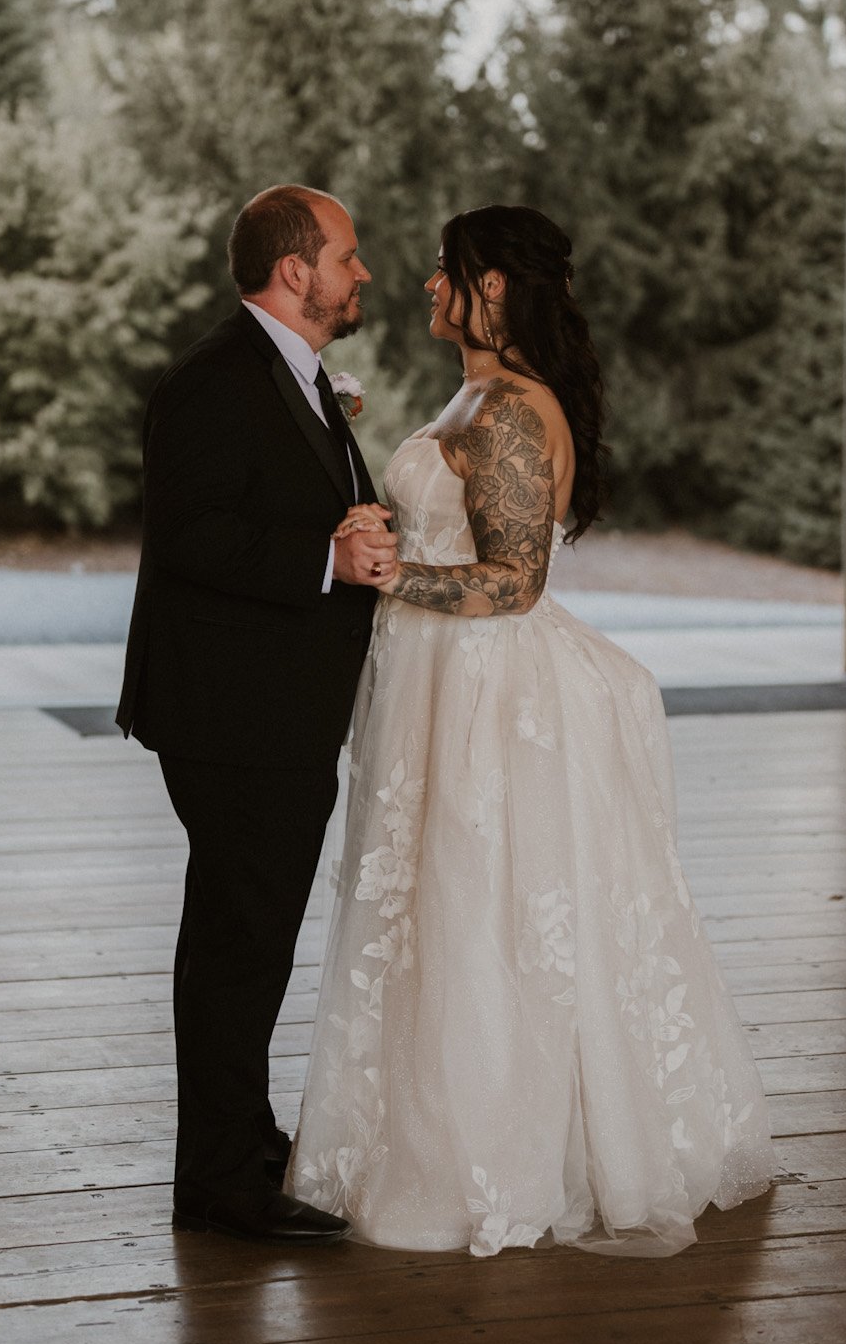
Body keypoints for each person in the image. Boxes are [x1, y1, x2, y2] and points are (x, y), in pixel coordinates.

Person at [287, 205, 778, 1257]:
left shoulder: (510, 408)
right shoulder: (477, 391)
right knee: (436, 910)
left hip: (487, 695)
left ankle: (489, 1158)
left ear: (494, 285)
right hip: (437, 677)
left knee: (481, 911)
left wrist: (391, 570)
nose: (424, 285)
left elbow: (512, 581)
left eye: (443, 270)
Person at [117, 185, 397, 1244]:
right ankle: (223, 1178)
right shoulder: (212, 380)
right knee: (241, 943)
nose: (360, 272)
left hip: (270, 708)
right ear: (295, 270)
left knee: (244, 938)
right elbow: (187, 535)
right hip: (233, 712)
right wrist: (323, 557)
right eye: (347, 256)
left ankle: (235, 1141)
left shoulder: (293, 375)